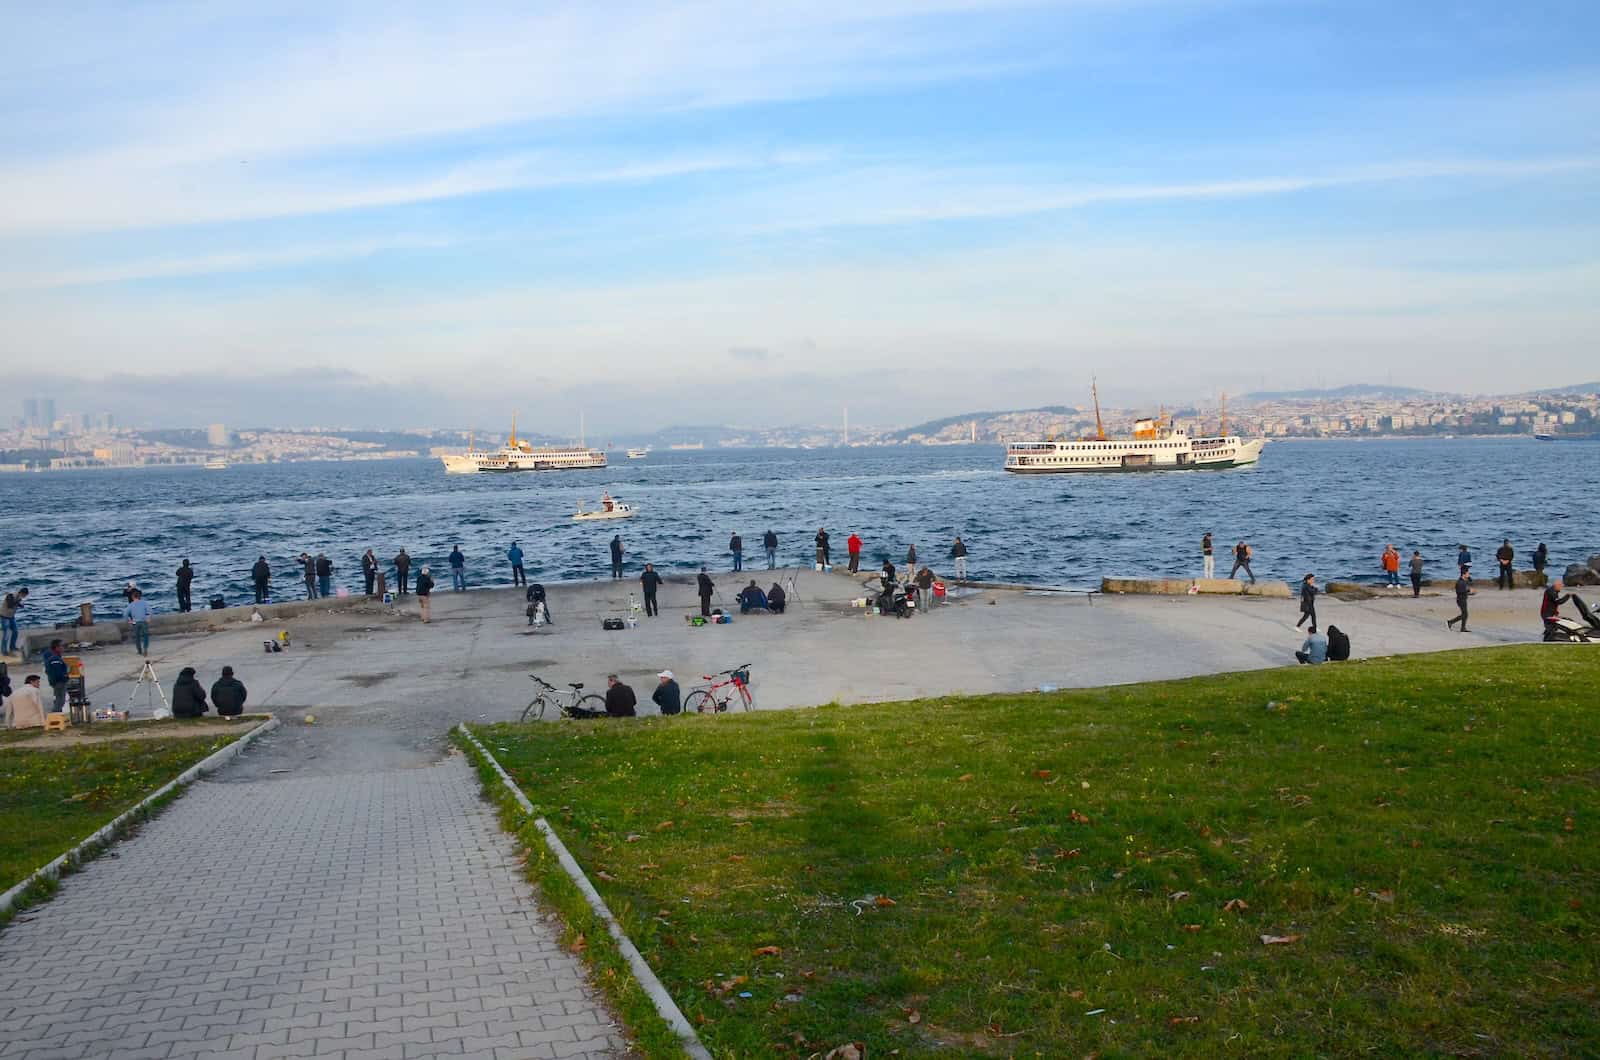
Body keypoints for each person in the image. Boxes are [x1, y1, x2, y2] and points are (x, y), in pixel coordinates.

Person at [43, 642, 70, 713]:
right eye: (62, 646)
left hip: (56, 682)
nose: (63, 648)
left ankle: (57, 715)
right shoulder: (55, 659)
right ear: (57, 648)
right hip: (59, 682)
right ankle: (55, 715)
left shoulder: (55, 658)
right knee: (60, 700)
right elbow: (58, 672)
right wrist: (65, 677)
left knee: (59, 699)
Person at [1, 587, 28, 656]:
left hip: (11, 617)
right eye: (24, 595)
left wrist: (20, 605)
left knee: (15, 631)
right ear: (22, 593)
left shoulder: (18, 597)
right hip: (4, 616)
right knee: (6, 634)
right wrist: (18, 602)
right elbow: (10, 605)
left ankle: (12, 647)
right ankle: (4, 651)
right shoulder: (10, 595)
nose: (24, 597)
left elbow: (15, 603)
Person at [125, 589, 153, 656]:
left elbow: (125, 614)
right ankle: (145, 648)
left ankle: (139, 650)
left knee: (137, 637)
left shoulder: (130, 605)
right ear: (140, 596)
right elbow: (150, 611)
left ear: (133, 597)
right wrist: (148, 618)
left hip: (135, 622)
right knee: (146, 635)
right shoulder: (144, 603)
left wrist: (129, 621)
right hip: (143, 621)